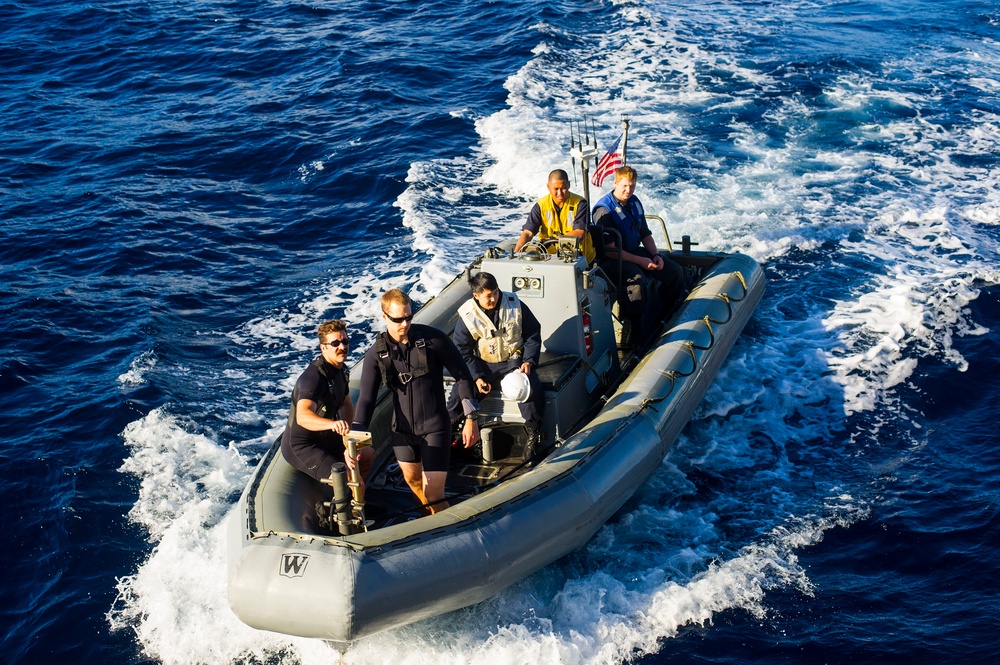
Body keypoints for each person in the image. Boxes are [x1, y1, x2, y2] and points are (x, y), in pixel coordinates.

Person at [353, 288, 480, 515]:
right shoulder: (376, 354)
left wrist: (471, 418)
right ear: (384, 317)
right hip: (402, 431)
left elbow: (463, 377)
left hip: (435, 428)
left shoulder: (433, 340)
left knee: (433, 495)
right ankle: (429, 523)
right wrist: (355, 437)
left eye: (408, 317)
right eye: (398, 319)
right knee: (414, 483)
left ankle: (449, 533)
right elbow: (366, 399)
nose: (404, 324)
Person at [449, 272, 545, 461]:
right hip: (483, 365)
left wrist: (529, 360)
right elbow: (462, 350)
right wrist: (476, 377)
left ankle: (534, 435)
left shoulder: (514, 304)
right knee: (457, 394)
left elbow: (533, 332)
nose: (493, 298)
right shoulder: (467, 316)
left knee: (530, 389)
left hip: (514, 362)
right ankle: (451, 434)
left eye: (495, 293)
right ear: (476, 295)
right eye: (488, 295)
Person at [592, 165, 687, 346]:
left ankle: (669, 311)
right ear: (615, 183)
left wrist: (655, 255)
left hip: (635, 251)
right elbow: (611, 251)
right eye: (625, 186)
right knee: (637, 281)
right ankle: (635, 333)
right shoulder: (604, 211)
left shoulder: (634, 202)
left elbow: (645, 233)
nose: (628, 190)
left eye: (632, 186)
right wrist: (641, 261)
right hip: (613, 260)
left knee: (674, 271)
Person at [281, 320, 374, 488]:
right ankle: (350, 508)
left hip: (326, 436)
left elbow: (345, 403)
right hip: (303, 445)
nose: (342, 347)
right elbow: (303, 417)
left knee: (366, 454)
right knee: (347, 480)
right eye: (335, 343)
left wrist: (347, 439)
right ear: (323, 348)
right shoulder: (312, 380)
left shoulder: (340, 370)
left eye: (345, 341)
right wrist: (333, 424)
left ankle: (360, 503)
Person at [514, 168, 597, 264]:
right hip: (550, 260)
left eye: (563, 188)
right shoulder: (541, 206)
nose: (560, 193)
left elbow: (580, 232)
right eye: (556, 189)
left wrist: (552, 240)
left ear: (569, 185)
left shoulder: (580, 203)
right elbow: (528, 233)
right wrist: (516, 254)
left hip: (580, 260)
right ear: (548, 187)